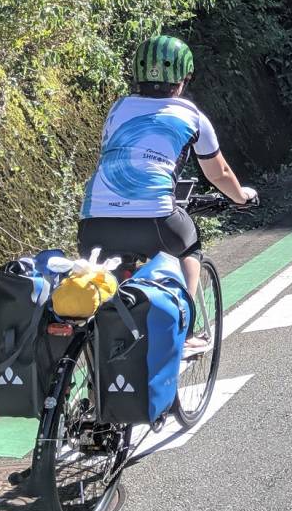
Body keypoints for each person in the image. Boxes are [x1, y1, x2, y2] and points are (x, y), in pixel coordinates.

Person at [77, 34, 256, 351]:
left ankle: (93, 384)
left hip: (94, 219)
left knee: (105, 299)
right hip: (156, 215)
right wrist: (242, 197)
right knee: (188, 246)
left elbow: (118, 160)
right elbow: (219, 173)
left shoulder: (118, 109)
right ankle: (184, 327)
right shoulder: (191, 115)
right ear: (184, 78)